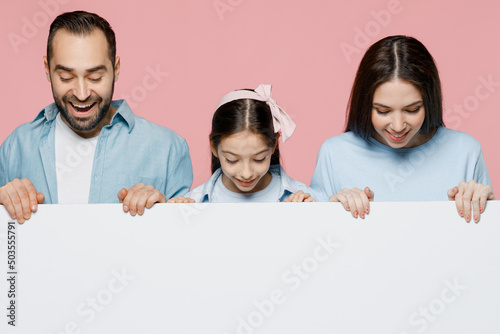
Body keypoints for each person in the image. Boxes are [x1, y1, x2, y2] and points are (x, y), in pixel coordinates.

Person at [0, 11, 193, 223]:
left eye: (95, 77)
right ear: (47, 69)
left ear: (116, 69)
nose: (82, 94)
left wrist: (164, 217)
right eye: (66, 77)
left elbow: (188, 246)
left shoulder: (169, 149)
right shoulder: (15, 147)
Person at [310, 35, 494, 222]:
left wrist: (489, 210)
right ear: (364, 105)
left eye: (412, 110)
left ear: (430, 102)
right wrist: (332, 214)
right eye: (383, 111)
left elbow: (487, 244)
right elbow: (310, 234)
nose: (398, 126)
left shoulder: (466, 152)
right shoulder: (334, 154)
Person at [168, 84, 313, 203]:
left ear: (273, 145)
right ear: (214, 147)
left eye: (259, 159)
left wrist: (312, 218)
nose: (246, 173)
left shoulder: (300, 199)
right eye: (232, 160)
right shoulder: (192, 203)